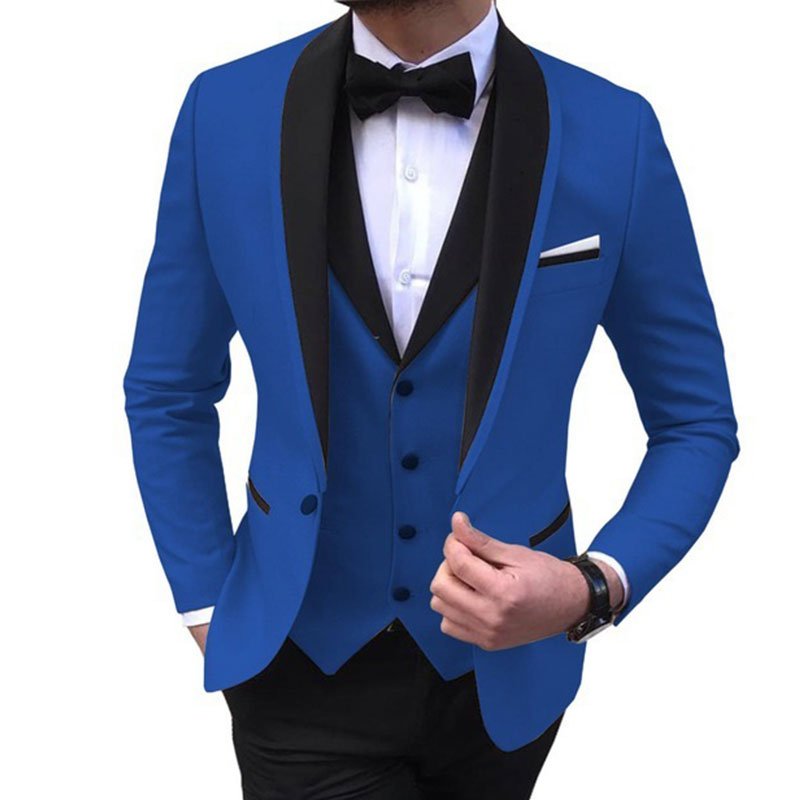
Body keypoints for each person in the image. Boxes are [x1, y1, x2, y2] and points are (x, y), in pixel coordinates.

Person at [123, 0, 739, 796]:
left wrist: (592, 585)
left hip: (512, 678)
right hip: (297, 658)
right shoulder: (225, 110)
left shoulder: (615, 132)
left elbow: (694, 419)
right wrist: (208, 602)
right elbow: (168, 388)